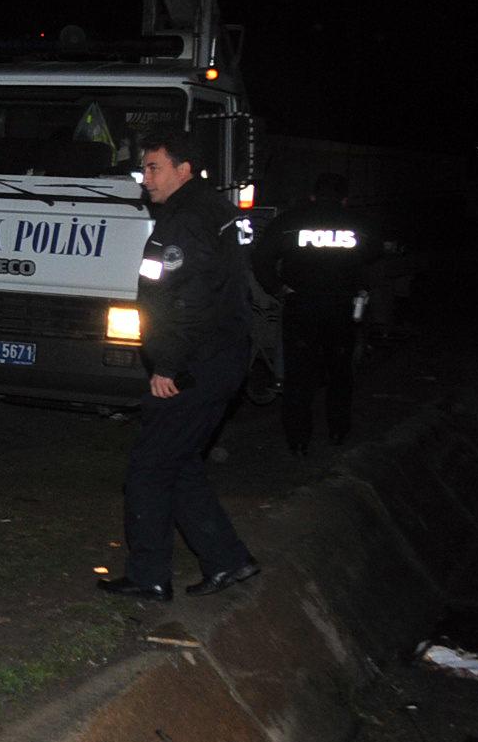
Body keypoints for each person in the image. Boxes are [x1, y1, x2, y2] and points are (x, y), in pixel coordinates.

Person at [99, 131, 260, 601]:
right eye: (143, 169)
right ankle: (229, 560)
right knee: (180, 461)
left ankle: (149, 576)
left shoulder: (186, 221)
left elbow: (186, 304)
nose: (144, 179)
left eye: (153, 168)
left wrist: (167, 365)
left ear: (184, 169)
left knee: (149, 467)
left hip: (196, 365)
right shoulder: (208, 210)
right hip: (219, 358)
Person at [253, 172, 381, 455]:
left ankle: (298, 441)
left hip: (301, 308)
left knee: (298, 377)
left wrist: (278, 289)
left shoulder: (290, 222)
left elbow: (261, 258)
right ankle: (338, 431)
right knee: (340, 372)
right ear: (345, 199)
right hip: (341, 310)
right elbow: (373, 255)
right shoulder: (358, 225)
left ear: (312, 196)